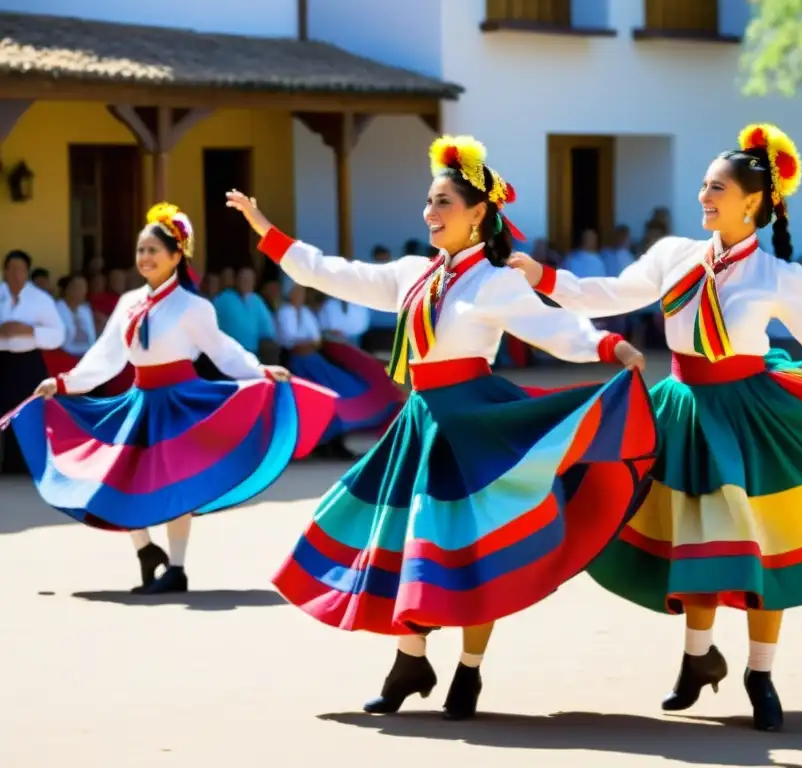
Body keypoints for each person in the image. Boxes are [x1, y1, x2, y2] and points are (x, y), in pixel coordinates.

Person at [510, 124, 802, 732]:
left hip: (749, 417)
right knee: (691, 540)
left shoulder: (779, 277)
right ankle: (698, 659)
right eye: (703, 186)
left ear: (752, 202)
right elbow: (607, 292)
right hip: (683, 409)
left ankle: (760, 674)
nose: (703, 197)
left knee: (755, 551)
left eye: (716, 188)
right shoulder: (674, 256)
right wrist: (544, 277)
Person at [226, 134, 658, 721]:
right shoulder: (411, 274)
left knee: (474, 548)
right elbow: (335, 273)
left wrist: (612, 346)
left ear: (479, 213)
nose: (431, 213)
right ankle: (411, 659)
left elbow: (553, 328)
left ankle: (469, 671)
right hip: (422, 421)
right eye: (429, 202)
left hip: (475, 421)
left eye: (444, 203)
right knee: (412, 542)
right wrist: (265, 229)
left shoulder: (497, 280)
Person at [0, 204, 339, 594]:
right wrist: (63, 383)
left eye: (153, 251)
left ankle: (176, 567)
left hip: (179, 401)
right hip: (139, 400)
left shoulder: (193, 307)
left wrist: (260, 371)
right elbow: (106, 357)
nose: (144, 258)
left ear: (177, 255)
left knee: (176, 485)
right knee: (116, 480)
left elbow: (223, 351)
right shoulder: (128, 303)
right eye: (141, 251)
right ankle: (146, 550)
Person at [276, 282, 401, 458]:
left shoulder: (305, 312)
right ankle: (322, 444)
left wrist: (308, 343)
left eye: (301, 293)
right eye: (296, 293)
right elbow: (289, 338)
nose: (299, 296)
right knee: (317, 401)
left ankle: (335, 443)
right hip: (299, 363)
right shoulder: (285, 312)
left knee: (343, 392)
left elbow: (316, 338)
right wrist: (305, 343)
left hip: (315, 360)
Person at [0, 250, 65, 474]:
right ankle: (6, 465)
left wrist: (28, 330)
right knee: (3, 411)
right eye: (12, 269)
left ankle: (28, 466)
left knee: (29, 412)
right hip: (3, 360)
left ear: (27, 272)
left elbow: (58, 334)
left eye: (21, 269)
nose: (16, 274)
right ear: (5, 271)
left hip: (29, 361)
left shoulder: (40, 299)